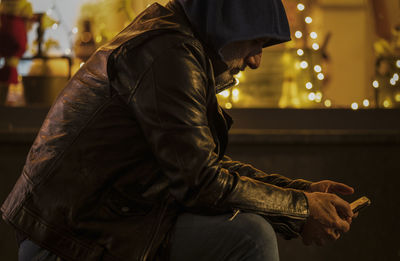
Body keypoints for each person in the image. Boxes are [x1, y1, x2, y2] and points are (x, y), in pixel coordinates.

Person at [1, 0, 356, 260]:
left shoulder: (177, 44)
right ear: (229, 21)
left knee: (248, 231)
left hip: (103, 226)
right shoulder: (168, 53)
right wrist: (302, 208)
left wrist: (302, 194)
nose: (255, 60)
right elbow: (201, 181)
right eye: (256, 42)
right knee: (249, 236)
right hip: (70, 240)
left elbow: (199, 166)